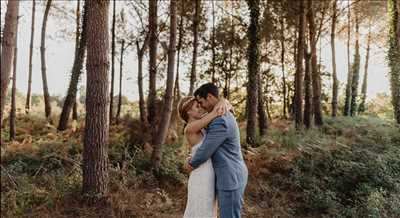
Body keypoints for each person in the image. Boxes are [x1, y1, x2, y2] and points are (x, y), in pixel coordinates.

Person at [187, 83, 248, 218]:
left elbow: (205, 150)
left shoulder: (220, 120)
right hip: (227, 174)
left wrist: (191, 163)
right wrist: (223, 101)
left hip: (230, 175)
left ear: (209, 97)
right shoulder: (217, 115)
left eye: (201, 102)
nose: (201, 106)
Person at [179, 95, 232, 218]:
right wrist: (220, 104)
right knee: (200, 208)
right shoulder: (189, 128)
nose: (201, 108)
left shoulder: (202, 123)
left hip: (210, 172)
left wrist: (223, 101)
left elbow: (226, 106)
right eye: (197, 106)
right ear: (189, 112)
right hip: (201, 175)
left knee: (208, 208)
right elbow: (215, 113)